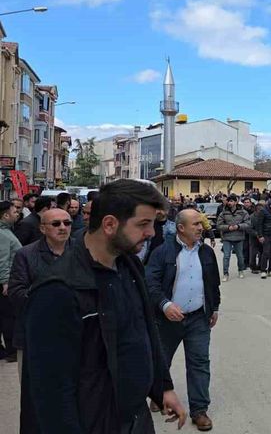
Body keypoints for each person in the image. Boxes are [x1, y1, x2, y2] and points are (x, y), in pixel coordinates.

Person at [20, 180, 187, 434]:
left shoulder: (129, 266)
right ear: (109, 224)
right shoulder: (58, 289)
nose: (152, 232)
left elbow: (144, 332)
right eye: (143, 224)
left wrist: (163, 386)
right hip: (94, 422)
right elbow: (49, 392)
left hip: (135, 417)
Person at [146, 208, 220, 431]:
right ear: (181, 228)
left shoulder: (206, 252)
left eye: (201, 223)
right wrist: (165, 305)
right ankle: (159, 395)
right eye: (196, 224)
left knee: (199, 363)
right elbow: (150, 283)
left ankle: (199, 410)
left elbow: (213, 283)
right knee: (161, 360)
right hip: (168, 319)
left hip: (198, 318)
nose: (201, 227)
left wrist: (214, 307)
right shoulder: (163, 252)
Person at [8, 208, 73, 368]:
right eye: (56, 224)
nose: (63, 227)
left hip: (74, 335)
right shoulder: (26, 254)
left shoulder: (84, 252)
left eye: (67, 223)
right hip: (35, 334)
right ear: (43, 228)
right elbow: (16, 292)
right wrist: (49, 301)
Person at [0, 201, 22, 363]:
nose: (18, 214)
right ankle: (11, 350)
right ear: (5, 215)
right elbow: (3, 259)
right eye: (15, 212)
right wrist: (5, 282)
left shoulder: (6, 231)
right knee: (8, 317)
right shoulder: (2, 233)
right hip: (6, 283)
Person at [216, 195, 250, 281]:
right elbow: (218, 225)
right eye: (228, 201)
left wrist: (238, 226)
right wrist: (227, 227)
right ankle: (225, 273)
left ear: (236, 202)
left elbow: (248, 224)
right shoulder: (223, 213)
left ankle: (241, 270)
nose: (229, 203)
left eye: (231, 201)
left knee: (240, 256)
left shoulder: (243, 212)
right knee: (226, 256)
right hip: (227, 237)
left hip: (239, 237)